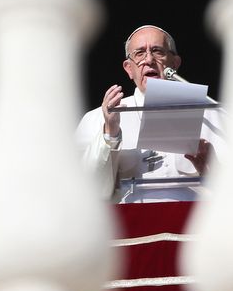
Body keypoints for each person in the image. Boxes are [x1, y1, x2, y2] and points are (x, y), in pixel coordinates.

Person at [77, 25, 223, 203]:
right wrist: (110, 133)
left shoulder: (213, 115)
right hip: (132, 227)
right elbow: (85, 192)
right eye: (139, 53)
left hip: (192, 226)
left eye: (157, 51)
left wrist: (211, 171)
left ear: (175, 63)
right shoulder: (97, 117)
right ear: (129, 68)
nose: (149, 59)